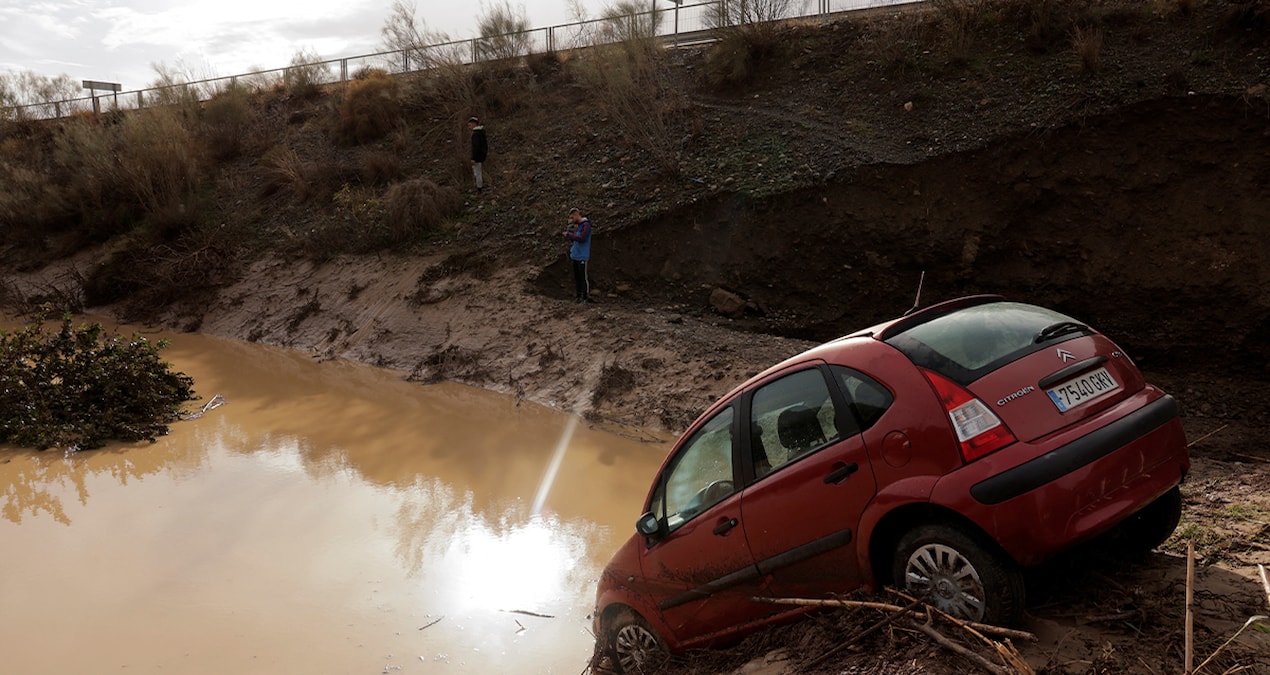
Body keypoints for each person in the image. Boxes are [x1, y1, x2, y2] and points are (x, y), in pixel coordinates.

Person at [563, 208, 592, 304]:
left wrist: (569, 235)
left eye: (572, 218)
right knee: (577, 277)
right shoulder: (577, 226)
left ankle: (585, 297)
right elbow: (575, 239)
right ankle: (578, 296)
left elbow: (582, 238)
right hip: (575, 254)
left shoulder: (586, 225)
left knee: (583, 277)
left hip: (582, 255)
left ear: (576, 215)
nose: (571, 220)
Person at [467, 116, 487, 191]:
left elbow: (476, 147)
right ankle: (479, 186)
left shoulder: (476, 134)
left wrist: (473, 158)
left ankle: (479, 188)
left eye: (470, 125)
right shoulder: (481, 132)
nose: (469, 127)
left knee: (477, 173)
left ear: (474, 124)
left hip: (477, 157)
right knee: (479, 172)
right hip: (482, 156)